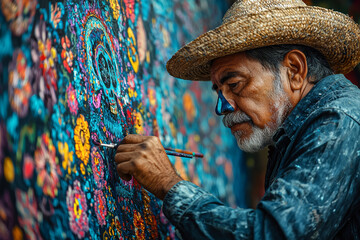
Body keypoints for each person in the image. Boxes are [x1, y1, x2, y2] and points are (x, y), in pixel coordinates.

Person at [114, 0, 360, 239]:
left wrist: (167, 183)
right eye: (219, 90)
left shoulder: (339, 120)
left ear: (294, 70)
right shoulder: (306, 128)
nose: (222, 107)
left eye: (235, 84)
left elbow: (270, 233)